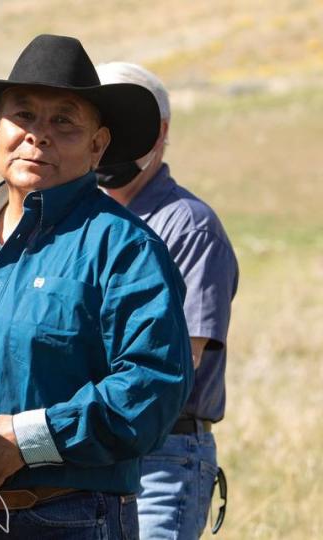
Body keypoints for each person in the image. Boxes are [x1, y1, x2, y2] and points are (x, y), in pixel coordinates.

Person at [0, 34, 194, 539]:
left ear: (97, 145)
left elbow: (151, 387)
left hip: (71, 518)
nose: (38, 136)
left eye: (63, 121)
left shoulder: (125, 249)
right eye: (23, 116)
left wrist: (30, 439)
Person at [96, 61, 239, 539]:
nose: (111, 140)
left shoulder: (188, 226)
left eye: (126, 126)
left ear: (159, 132)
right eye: (101, 124)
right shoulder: (81, 226)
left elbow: (181, 362)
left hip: (161, 457)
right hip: (89, 455)